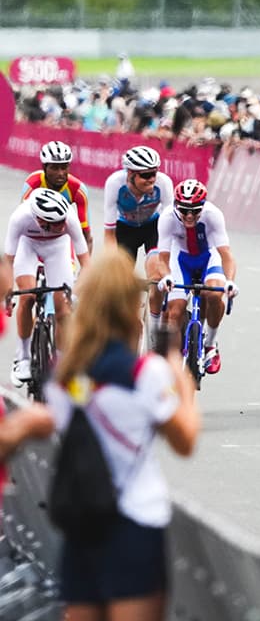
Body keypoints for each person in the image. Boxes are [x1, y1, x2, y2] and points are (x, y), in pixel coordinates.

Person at [48, 250, 200, 621]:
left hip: (81, 524)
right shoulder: (143, 373)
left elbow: (78, 405)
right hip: (133, 523)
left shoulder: (64, 375)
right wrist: (182, 381)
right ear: (128, 308)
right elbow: (185, 440)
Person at [4, 189, 90, 386]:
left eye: (63, 221)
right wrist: (7, 295)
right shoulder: (20, 218)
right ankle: (22, 358)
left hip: (57, 249)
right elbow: (8, 261)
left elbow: (86, 263)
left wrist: (79, 291)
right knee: (28, 297)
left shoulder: (69, 218)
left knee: (64, 311)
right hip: (28, 248)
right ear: (39, 220)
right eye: (56, 223)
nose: (62, 225)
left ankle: (61, 363)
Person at [154, 181, 235, 377]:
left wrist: (230, 281)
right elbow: (163, 259)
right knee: (175, 310)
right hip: (180, 259)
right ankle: (172, 360)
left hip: (208, 256)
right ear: (176, 205)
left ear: (203, 206)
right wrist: (166, 277)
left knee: (214, 294)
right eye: (184, 210)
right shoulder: (166, 217)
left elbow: (226, 255)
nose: (189, 216)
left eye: (195, 211)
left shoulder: (213, 215)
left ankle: (210, 345)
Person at [102, 146, 175, 347]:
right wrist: (111, 266)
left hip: (153, 227)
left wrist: (167, 265)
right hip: (125, 230)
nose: (152, 178)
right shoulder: (114, 184)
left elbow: (171, 227)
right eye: (146, 175)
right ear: (131, 175)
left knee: (156, 274)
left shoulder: (164, 183)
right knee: (118, 280)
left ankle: (154, 333)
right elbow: (109, 234)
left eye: (155, 172)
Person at [23, 140, 93, 252]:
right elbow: (22, 224)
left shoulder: (78, 190)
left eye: (64, 167)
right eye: (55, 168)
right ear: (44, 168)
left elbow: (87, 236)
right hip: (34, 237)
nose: (60, 173)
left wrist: (86, 268)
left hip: (60, 237)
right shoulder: (32, 184)